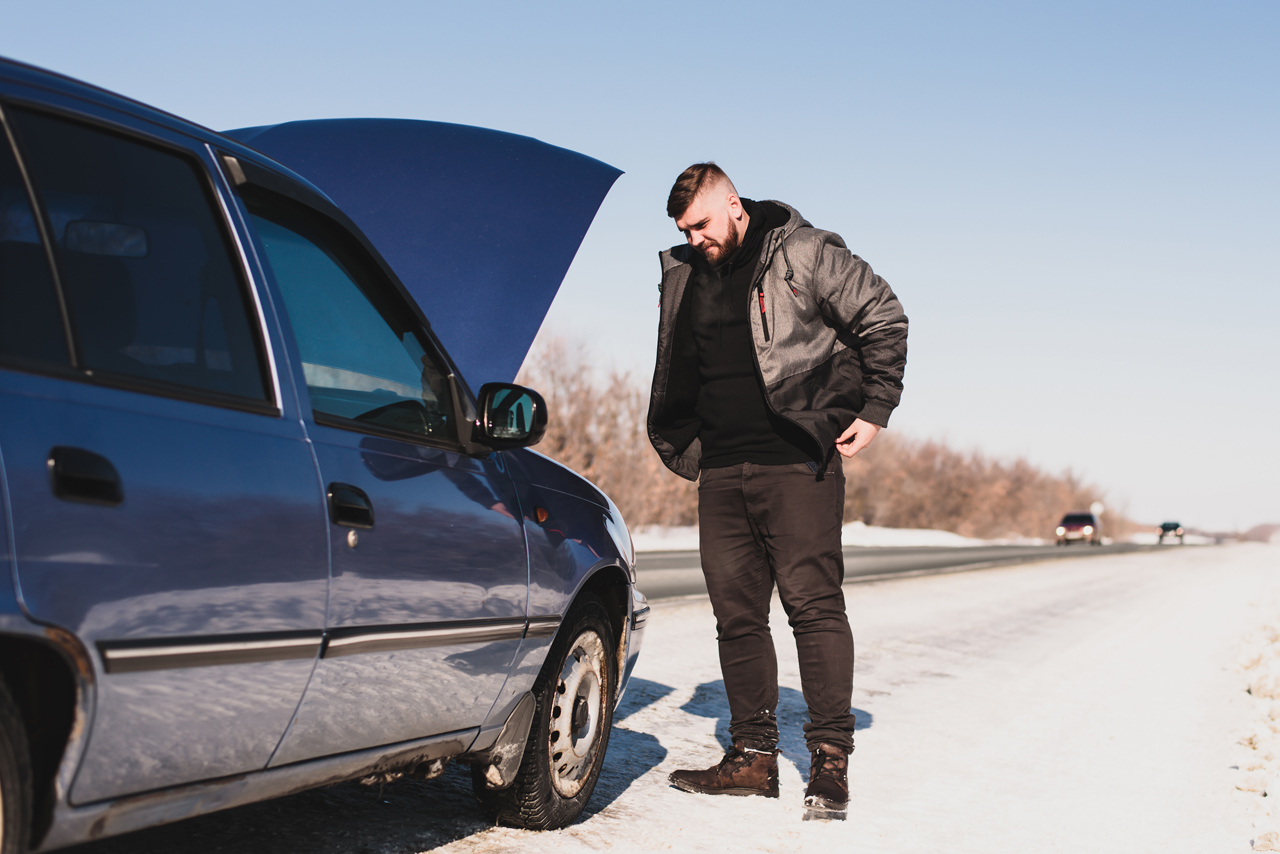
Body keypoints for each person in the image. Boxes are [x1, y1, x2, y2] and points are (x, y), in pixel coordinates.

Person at [646, 163, 907, 820]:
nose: (695, 238)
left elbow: (884, 314)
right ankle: (753, 759)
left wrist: (874, 409)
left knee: (813, 607)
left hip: (797, 460)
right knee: (736, 618)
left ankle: (829, 762)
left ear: (733, 205)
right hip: (722, 469)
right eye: (684, 229)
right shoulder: (683, 272)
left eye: (701, 224)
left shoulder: (805, 252)